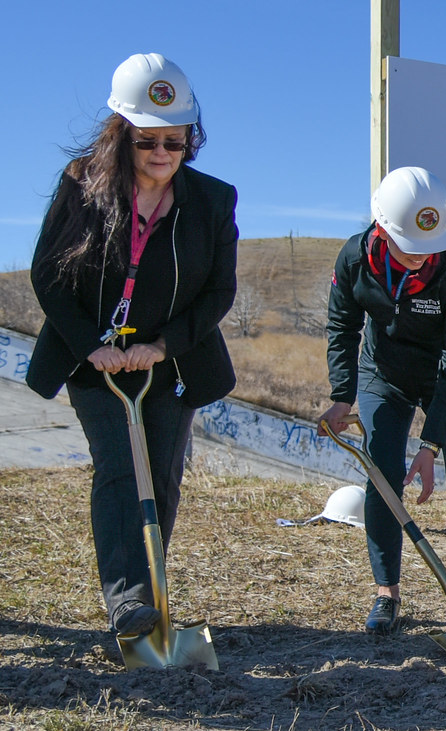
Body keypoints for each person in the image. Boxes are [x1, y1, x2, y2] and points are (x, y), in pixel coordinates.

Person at [27, 53, 238, 635]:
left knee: (162, 473)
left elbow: (220, 290)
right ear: (122, 134)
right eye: (148, 141)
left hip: (169, 363)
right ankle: (126, 602)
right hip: (95, 359)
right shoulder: (81, 185)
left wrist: (164, 345)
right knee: (121, 466)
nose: (163, 153)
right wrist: (91, 345)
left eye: (176, 140)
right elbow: (46, 273)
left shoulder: (214, 201)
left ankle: (147, 596)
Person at [318, 166, 446, 635]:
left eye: (429, 247)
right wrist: (341, 396)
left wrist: (431, 444)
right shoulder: (354, 260)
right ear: (381, 227)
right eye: (410, 247)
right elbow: (342, 328)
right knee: (382, 473)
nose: (421, 257)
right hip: (386, 376)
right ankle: (386, 595)